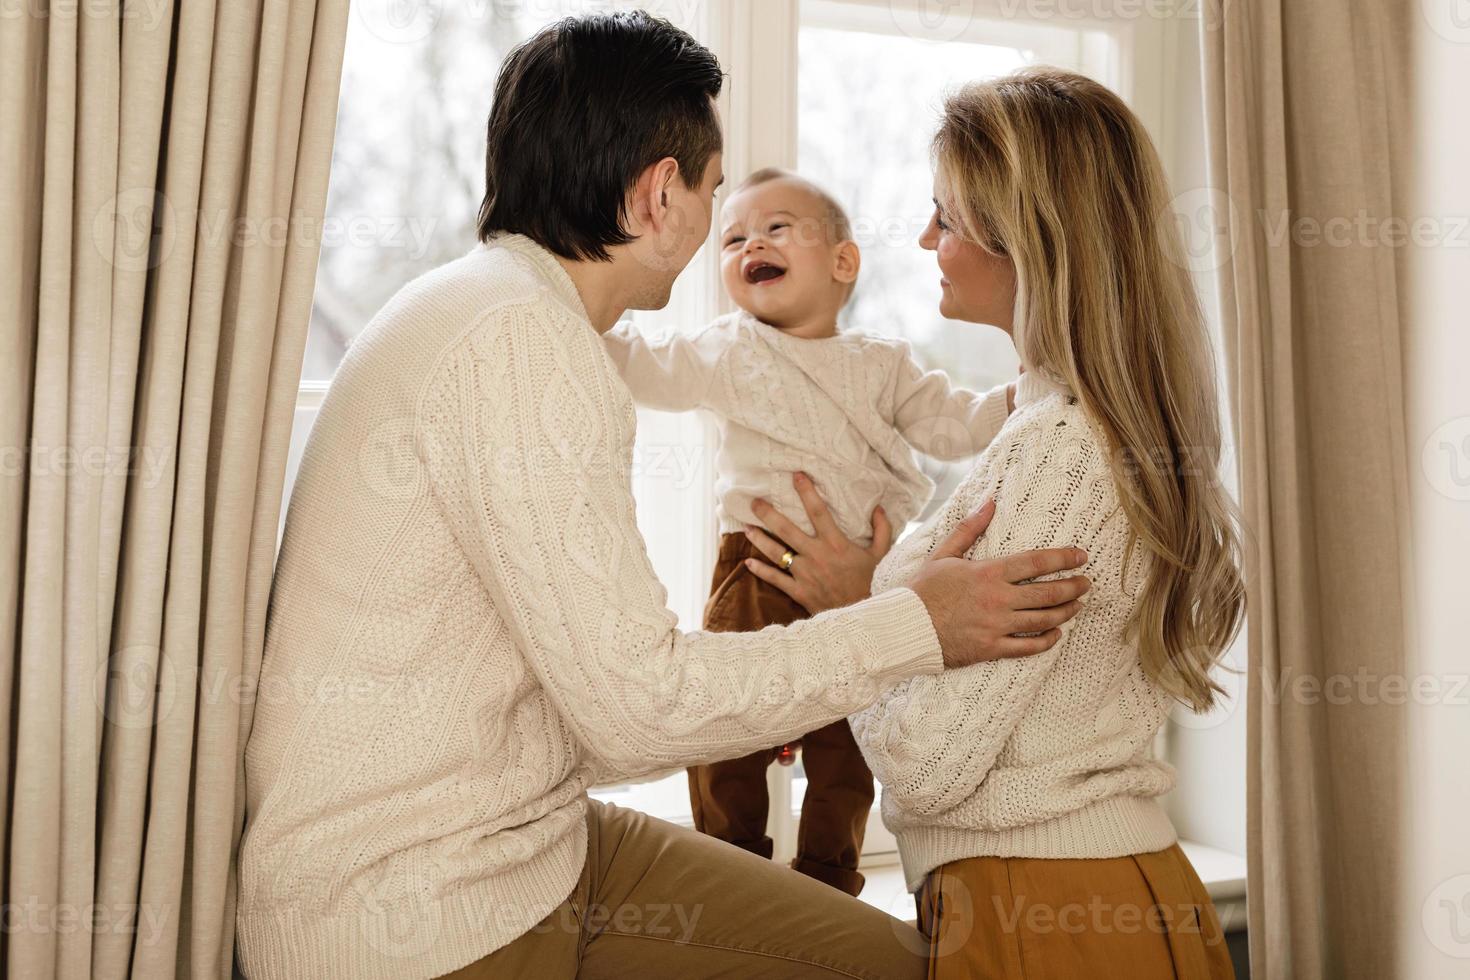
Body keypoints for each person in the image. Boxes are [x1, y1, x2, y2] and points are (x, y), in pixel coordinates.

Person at [234, 14, 1090, 980]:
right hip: (416, 910)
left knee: (898, 963)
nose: (726, 227)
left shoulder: (503, 313)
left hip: (533, 840)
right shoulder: (515, 343)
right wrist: (912, 623)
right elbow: (639, 712)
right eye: (717, 195)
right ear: (659, 194)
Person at [749, 69, 1245, 979]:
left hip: (1048, 916)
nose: (928, 238)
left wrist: (860, 614)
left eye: (949, 216)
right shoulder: (1059, 425)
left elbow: (932, 764)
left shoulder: (1063, 450)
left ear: (1030, 242)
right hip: (1081, 900)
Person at [602, 166, 1016, 897]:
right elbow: (644, 366)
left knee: (846, 745)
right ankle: (730, 866)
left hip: (860, 583)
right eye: (731, 238)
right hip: (756, 568)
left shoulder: (882, 364)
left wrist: (1013, 402)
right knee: (726, 730)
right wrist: (581, 312)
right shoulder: (726, 350)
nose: (749, 244)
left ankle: (828, 876)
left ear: (842, 263)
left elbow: (950, 423)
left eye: (774, 228)